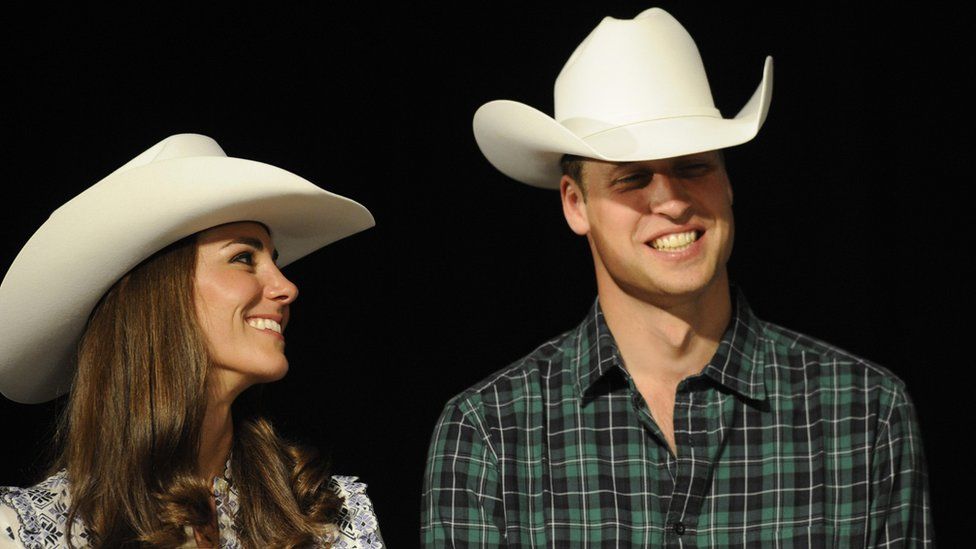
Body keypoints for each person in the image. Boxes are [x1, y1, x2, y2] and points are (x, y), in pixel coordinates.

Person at [422, 8, 932, 547]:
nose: (670, 201)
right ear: (575, 204)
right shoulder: (491, 433)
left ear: (727, 181)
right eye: (634, 178)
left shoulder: (865, 413)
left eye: (693, 167)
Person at [0, 134, 384, 548]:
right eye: (243, 258)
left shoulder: (325, 513)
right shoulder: (22, 531)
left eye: (274, 261)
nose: (286, 287)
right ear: (160, 298)